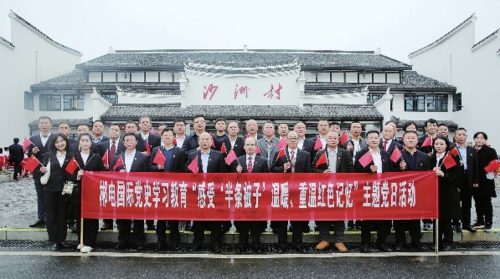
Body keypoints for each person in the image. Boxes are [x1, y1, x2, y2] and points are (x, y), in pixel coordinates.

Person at [312, 131, 353, 253]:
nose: (332, 140)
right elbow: (313, 169)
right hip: (324, 189)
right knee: (323, 214)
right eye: (330, 138)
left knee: (339, 215)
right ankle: (324, 239)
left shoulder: (344, 153)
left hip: (340, 188)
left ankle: (339, 240)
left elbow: (351, 170)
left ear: (338, 140)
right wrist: (322, 173)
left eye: (335, 138)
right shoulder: (320, 153)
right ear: (326, 139)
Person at [271, 131, 312, 253]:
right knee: (282, 219)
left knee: (298, 218)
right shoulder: (280, 153)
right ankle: (282, 244)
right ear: (286, 140)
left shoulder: (305, 154)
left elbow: (309, 173)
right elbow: (272, 169)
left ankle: (297, 243)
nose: (293, 140)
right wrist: (282, 169)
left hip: (299, 190)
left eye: (295, 138)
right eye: (290, 138)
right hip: (284, 189)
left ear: (299, 139)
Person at [185, 132, 226, 253]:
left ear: (211, 141)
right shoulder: (192, 155)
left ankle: (216, 244)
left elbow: (222, 174)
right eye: (202, 139)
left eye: (207, 139)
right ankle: (198, 243)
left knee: (215, 220)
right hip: (198, 192)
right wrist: (191, 170)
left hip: (214, 191)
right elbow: (185, 171)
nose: (204, 141)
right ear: (198, 142)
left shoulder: (218, 155)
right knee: (198, 219)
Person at [355, 130, 394, 253]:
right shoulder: (362, 154)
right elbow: (356, 171)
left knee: (383, 217)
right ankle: (365, 243)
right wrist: (368, 169)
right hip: (367, 189)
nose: (373, 140)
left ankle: (381, 242)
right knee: (366, 218)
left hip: (383, 189)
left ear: (379, 140)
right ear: (366, 141)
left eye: (376, 137)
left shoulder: (386, 154)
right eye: (371, 138)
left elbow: (392, 171)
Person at [149, 129, 187, 251]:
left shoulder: (180, 151)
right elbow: (150, 167)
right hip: (159, 187)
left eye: (169, 135)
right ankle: (161, 241)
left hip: (174, 187)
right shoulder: (156, 150)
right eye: (165, 136)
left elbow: (183, 170)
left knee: (173, 216)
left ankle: (174, 241)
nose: (167, 138)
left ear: (173, 137)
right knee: (160, 216)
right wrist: (157, 168)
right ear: (162, 137)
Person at [230, 137, 269, 253]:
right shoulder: (238, 160)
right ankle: (243, 244)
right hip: (242, 196)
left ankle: (255, 244)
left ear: (256, 147)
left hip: (257, 196)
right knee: (243, 221)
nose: (250, 147)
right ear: (244, 147)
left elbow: (266, 179)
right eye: (248, 145)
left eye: (252, 144)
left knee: (256, 221)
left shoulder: (262, 161)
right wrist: (236, 173)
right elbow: (231, 179)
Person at [394, 131, 431, 251]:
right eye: (408, 138)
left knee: (415, 218)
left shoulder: (424, 157)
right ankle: (400, 242)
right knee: (400, 218)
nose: (410, 140)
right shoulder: (397, 155)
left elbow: (428, 175)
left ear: (417, 141)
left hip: (417, 192)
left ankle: (416, 241)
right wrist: (399, 169)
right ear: (403, 140)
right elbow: (390, 173)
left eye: (413, 138)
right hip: (401, 191)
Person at [113, 132, 149, 251]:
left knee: (138, 218)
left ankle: (139, 242)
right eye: (127, 141)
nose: (130, 143)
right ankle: (123, 241)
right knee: (123, 218)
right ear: (123, 143)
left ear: (136, 142)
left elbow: (146, 175)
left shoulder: (143, 157)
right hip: (122, 191)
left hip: (138, 191)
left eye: (132, 140)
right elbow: (112, 175)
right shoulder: (117, 157)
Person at [72, 133, 106, 253]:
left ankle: (90, 242)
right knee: (79, 216)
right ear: (79, 143)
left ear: (91, 143)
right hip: (78, 191)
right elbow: (68, 173)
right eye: (83, 141)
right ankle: (81, 240)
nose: (85, 143)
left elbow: (102, 173)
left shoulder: (96, 157)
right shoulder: (74, 157)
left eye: (87, 141)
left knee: (91, 218)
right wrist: (77, 175)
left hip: (92, 192)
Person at [39, 133, 72, 251]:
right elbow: (41, 170)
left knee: (63, 216)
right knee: (51, 216)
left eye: (62, 141)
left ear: (66, 142)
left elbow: (72, 174)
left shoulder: (71, 156)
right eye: (57, 142)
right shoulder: (48, 156)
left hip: (65, 190)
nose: (60, 144)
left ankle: (62, 240)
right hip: (50, 190)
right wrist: (42, 170)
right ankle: (53, 241)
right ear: (54, 144)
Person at [430, 136, 461, 251]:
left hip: (447, 192)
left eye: (441, 144)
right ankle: (436, 242)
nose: (438, 146)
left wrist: (444, 175)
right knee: (436, 218)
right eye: (436, 144)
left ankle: (448, 241)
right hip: (434, 192)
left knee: (446, 218)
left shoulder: (450, 158)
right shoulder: (431, 158)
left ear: (446, 145)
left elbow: (456, 176)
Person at [29, 116, 58, 228]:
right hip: (38, 171)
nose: (44, 125)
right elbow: (28, 156)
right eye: (42, 123)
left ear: (51, 125)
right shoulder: (33, 139)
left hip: (53, 171)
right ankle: (41, 218)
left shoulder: (56, 137)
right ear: (38, 125)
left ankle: (52, 217)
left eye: (46, 123)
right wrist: (32, 152)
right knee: (40, 196)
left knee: (53, 196)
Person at [95, 124, 125, 231]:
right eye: (112, 130)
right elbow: (98, 159)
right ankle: (107, 222)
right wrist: (103, 166)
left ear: (120, 133)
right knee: (106, 199)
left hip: (120, 177)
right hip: (106, 176)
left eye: (117, 130)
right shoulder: (102, 146)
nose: (114, 132)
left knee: (120, 199)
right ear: (108, 132)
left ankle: (120, 221)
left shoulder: (124, 144)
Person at [453, 128, 479, 233]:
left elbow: (475, 166)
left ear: (466, 137)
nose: (461, 136)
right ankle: (455, 223)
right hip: (456, 179)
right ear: (455, 137)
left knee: (467, 203)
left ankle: (466, 223)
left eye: (464, 134)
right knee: (455, 203)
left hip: (468, 178)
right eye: (459, 134)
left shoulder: (471, 149)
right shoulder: (452, 149)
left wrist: (476, 180)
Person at [472, 132, 498, 232]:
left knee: (486, 202)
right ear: (474, 139)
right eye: (477, 138)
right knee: (477, 202)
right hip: (475, 181)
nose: (479, 140)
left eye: (482, 138)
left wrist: (487, 171)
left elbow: (495, 163)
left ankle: (488, 222)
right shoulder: (472, 150)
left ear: (485, 140)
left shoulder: (490, 151)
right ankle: (480, 221)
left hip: (486, 180)